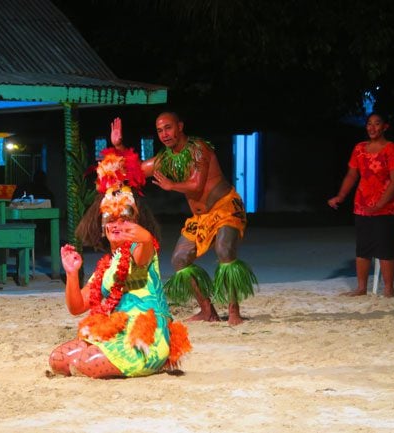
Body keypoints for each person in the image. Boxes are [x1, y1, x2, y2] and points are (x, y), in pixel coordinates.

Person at [48, 151, 191, 378]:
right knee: (58, 359)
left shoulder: (141, 248)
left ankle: (142, 361)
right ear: (103, 227)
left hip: (145, 335)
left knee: (86, 361)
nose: (117, 224)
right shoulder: (106, 266)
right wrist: (72, 273)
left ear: (135, 221)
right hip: (116, 330)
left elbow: (143, 254)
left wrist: (143, 236)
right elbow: (76, 307)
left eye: (124, 218)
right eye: (111, 220)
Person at [111, 114, 257, 326]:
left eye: (168, 128)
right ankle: (208, 310)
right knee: (179, 260)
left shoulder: (198, 148)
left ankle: (234, 311)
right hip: (200, 217)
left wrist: (171, 186)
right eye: (160, 131)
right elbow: (138, 169)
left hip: (225, 207)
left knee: (225, 251)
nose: (164, 134)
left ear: (180, 126)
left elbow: (196, 184)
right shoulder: (166, 158)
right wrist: (119, 146)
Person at [328, 112, 394, 297]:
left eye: (377, 124)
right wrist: (341, 195)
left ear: (385, 126)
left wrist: (380, 204)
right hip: (362, 205)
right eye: (369, 124)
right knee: (363, 247)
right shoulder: (359, 149)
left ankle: (388, 289)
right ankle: (361, 288)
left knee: (386, 248)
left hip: (386, 207)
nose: (372, 127)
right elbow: (352, 175)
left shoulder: (391, 149)